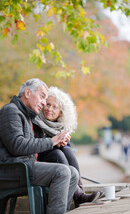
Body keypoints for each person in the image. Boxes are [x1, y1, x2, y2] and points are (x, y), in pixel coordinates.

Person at [0, 78, 79, 214]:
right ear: (28, 93)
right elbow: (17, 146)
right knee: (62, 171)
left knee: (73, 173)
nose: (44, 103)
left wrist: (57, 143)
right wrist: (52, 141)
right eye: (42, 97)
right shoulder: (10, 111)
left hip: (23, 168)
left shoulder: (27, 116)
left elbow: (32, 144)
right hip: (12, 170)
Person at [33, 86, 102, 208]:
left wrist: (62, 143)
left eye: (55, 107)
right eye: (48, 104)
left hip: (58, 163)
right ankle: (80, 197)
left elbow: (66, 152)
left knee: (68, 151)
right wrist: (54, 142)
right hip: (42, 162)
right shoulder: (36, 121)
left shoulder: (61, 127)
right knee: (57, 153)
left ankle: (80, 193)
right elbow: (35, 144)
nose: (49, 109)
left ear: (61, 113)